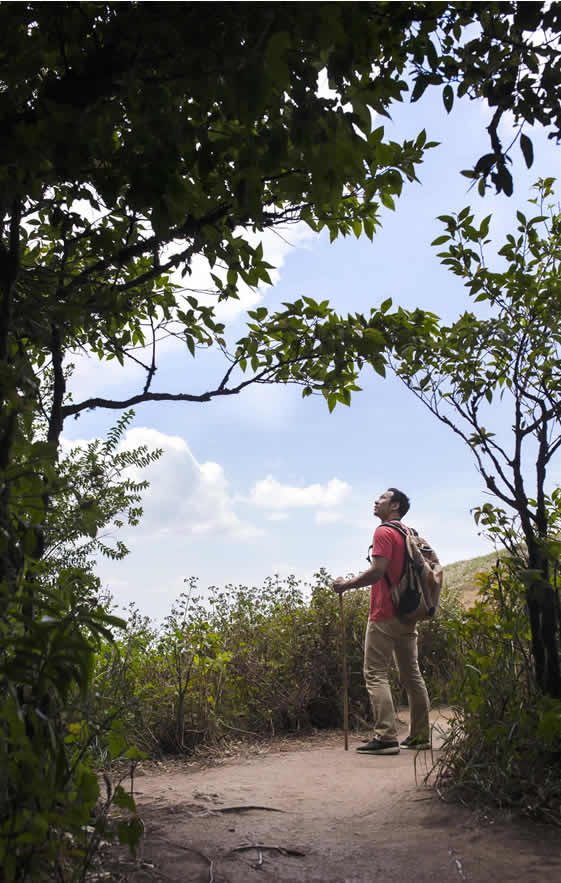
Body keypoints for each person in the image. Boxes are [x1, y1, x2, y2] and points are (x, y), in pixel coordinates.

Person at [333, 488, 430, 755]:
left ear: (395, 506)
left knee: (375, 673)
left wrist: (346, 585)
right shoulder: (409, 533)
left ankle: (386, 737)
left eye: (382, 499)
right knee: (412, 674)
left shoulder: (384, 532)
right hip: (408, 613)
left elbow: (378, 572)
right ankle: (421, 736)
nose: (376, 501)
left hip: (384, 612)